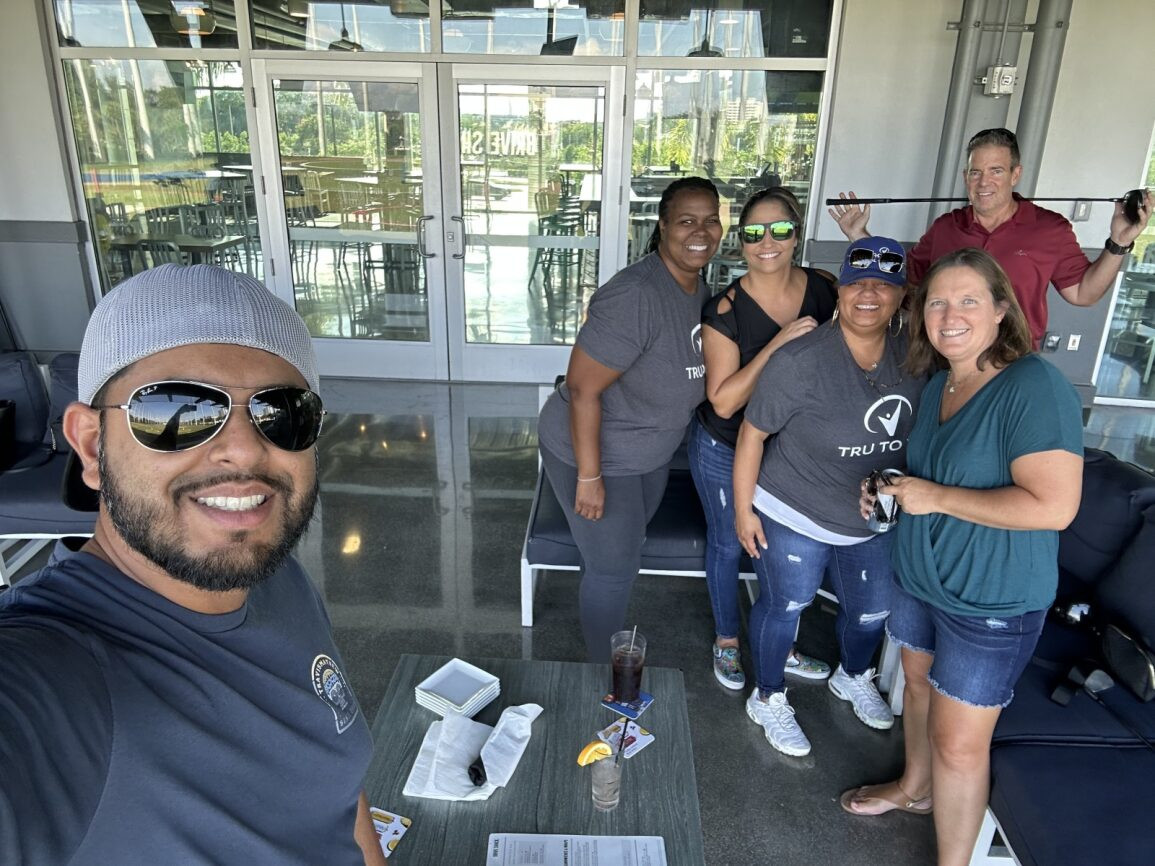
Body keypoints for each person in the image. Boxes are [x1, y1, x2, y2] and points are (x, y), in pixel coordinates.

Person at [0, 265, 386, 866]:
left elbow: (335, 790)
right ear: (92, 445)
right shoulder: (54, 673)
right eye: (177, 410)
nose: (244, 448)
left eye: (281, 413)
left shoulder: (272, 577)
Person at [839, 248, 1083, 866]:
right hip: (921, 579)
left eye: (968, 300)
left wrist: (934, 497)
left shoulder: (1034, 386)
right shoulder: (943, 381)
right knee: (916, 690)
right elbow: (932, 477)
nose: (950, 314)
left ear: (1003, 309)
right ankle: (913, 789)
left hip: (991, 600)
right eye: (938, 302)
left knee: (959, 745)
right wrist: (890, 489)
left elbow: (1053, 507)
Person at [733, 237, 926, 756]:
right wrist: (744, 510)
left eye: (884, 285)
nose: (869, 293)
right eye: (857, 282)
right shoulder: (800, 360)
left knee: (872, 611)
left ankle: (853, 676)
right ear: (838, 290)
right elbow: (752, 433)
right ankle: (768, 696)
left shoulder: (918, 356)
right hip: (794, 506)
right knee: (789, 602)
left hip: (874, 517)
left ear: (902, 295)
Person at [537, 176, 723, 662]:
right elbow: (581, 388)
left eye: (710, 219)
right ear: (661, 227)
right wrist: (590, 475)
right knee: (614, 568)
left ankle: (602, 606)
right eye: (686, 220)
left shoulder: (698, 289)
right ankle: (606, 677)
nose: (699, 231)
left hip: (649, 450)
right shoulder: (636, 296)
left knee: (620, 549)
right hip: (596, 448)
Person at [688, 186, 838, 691]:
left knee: (778, 547)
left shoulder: (824, 288)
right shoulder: (724, 310)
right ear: (741, 241)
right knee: (731, 543)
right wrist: (779, 342)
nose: (766, 241)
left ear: (797, 235)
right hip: (725, 447)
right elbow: (724, 401)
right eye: (754, 232)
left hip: (791, 453)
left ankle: (781, 643)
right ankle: (727, 640)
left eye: (780, 230)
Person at [829, 127, 1153, 347]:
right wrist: (860, 236)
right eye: (975, 172)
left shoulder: (1050, 229)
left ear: (1015, 174)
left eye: (996, 171)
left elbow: (1083, 293)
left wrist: (1118, 243)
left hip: (1013, 365)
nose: (984, 182)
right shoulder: (946, 227)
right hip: (942, 362)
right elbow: (903, 281)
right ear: (965, 176)